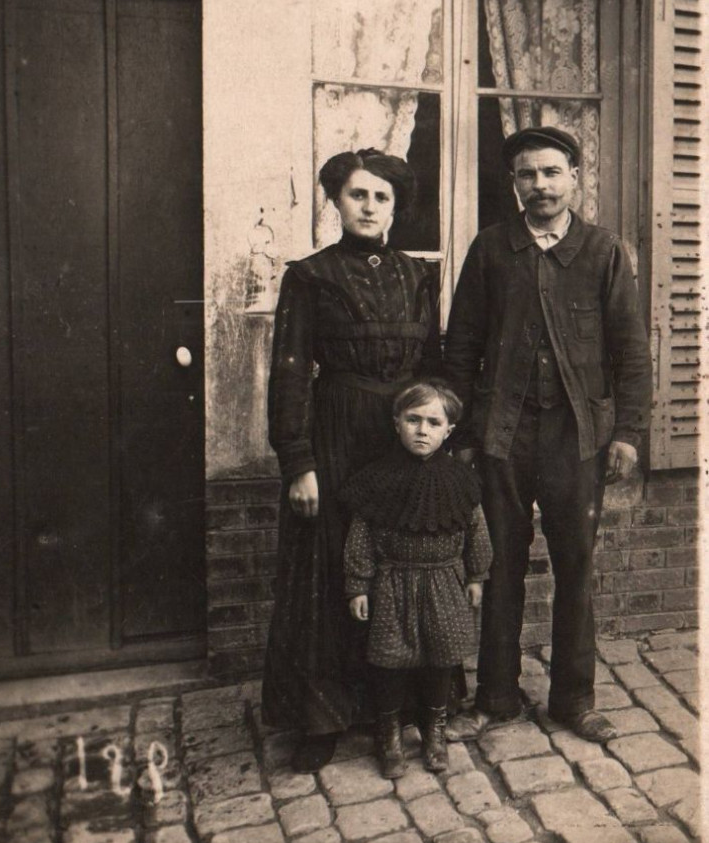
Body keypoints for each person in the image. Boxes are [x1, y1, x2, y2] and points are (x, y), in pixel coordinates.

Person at [443, 126, 652, 743]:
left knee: (576, 566)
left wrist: (629, 434)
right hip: (500, 435)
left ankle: (574, 699)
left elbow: (632, 357)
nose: (540, 185)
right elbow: (461, 348)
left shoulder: (604, 253)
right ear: (514, 186)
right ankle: (498, 696)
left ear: (574, 178)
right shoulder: (489, 251)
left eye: (551, 172)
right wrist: (461, 432)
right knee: (501, 562)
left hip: (577, 437)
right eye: (527, 175)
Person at [262, 148, 442, 772]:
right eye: (357, 195)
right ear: (335, 202)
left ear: (396, 205)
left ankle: (409, 707)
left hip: (403, 440)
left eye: (381, 196)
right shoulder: (310, 276)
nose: (369, 206)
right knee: (332, 566)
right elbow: (288, 374)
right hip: (337, 434)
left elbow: (436, 368)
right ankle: (322, 718)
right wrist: (297, 462)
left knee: (404, 567)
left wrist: (435, 438)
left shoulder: (419, 277)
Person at [340, 380, 492, 778]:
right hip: (393, 583)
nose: (422, 430)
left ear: (448, 431)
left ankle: (434, 731)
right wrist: (358, 584)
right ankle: (388, 733)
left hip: (444, 582)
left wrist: (477, 575)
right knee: (390, 659)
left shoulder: (460, 480)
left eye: (433, 422)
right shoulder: (377, 479)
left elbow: (476, 530)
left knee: (441, 657)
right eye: (413, 420)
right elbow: (361, 535)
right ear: (396, 424)